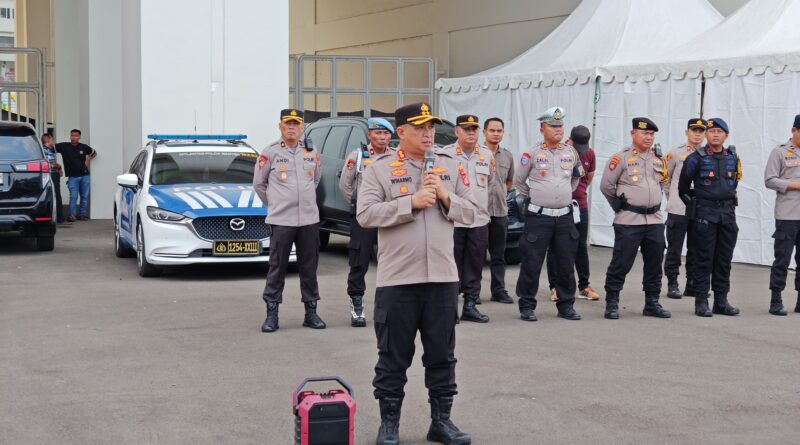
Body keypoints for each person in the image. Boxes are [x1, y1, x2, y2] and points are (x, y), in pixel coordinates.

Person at [357, 102, 477, 445]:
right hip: (398, 280)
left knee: (442, 355)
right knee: (392, 357)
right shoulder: (380, 169)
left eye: (431, 127)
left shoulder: (449, 165)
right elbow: (365, 214)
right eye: (420, 127)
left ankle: (441, 421)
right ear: (401, 132)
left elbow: (474, 212)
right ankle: (389, 424)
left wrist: (444, 196)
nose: (428, 133)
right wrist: (410, 202)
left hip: (442, 278)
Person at [253, 109, 326, 333]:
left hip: (308, 220)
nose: (292, 128)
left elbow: (315, 180)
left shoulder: (312, 152)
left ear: (302, 127)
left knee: (309, 268)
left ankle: (311, 313)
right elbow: (259, 184)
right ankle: (272, 315)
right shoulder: (270, 152)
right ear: (280, 126)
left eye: (296, 124)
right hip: (282, 220)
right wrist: (276, 204)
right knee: (277, 268)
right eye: (288, 124)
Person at [514, 106, 584, 322]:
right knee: (532, 262)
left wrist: (561, 194)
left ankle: (566, 305)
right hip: (539, 217)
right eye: (553, 126)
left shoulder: (571, 152)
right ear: (542, 129)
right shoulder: (532, 153)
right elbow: (519, 181)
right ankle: (527, 305)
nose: (558, 129)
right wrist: (537, 196)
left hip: (564, 217)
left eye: (560, 125)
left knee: (565, 263)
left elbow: (576, 178)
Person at [600, 117, 672, 320]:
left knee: (655, 264)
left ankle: (652, 302)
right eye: (644, 133)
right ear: (633, 134)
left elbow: (662, 183)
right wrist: (621, 205)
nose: (648, 137)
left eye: (651, 134)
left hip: (654, 220)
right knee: (621, 263)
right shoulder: (621, 158)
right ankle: (612, 302)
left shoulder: (659, 158)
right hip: (629, 221)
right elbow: (606, 186)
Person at [678, 118, 741, 317]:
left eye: (719, 131)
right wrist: (697, 207)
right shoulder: (695, 158)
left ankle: (721, 301)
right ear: (706, 134)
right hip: (705, 215)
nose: (715, 134)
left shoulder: (733, 157)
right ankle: (701, 301)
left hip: (727, 215)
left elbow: (734, 183)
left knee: (724, 260)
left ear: (726, 135)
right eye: (712, 131)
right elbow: (683, 189)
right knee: (703, 259)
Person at [338, 117, 395, 327]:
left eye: (386, 133)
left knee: (392, 261)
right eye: (378, 133)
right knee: (359, 261)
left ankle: (390, 306)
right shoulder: (358, 156)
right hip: (365, 219)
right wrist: (361, 208)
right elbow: (345, 185)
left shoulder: (396, 156)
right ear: (369, 134)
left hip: (389, 217)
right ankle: (357, 305)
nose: (382, 137)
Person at [444, 114, 492, 323]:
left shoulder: (486, 155)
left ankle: (470, 305)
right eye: (466, 129)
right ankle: (450, 307)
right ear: (457, 131)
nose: (471, 133)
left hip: (479, 219)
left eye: (474, 129)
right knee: (451, 264)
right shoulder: (446, 155)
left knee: (475, 263)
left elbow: (489, 184)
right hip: (453, 220)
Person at [546, 125, 599, 301]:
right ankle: (555, 287)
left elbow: (588, 178)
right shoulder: (559, 152)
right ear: (570, 140)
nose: (580, 152)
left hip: (580, 205)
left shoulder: (589, 153)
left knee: (580, 246)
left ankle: (584, 285)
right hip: (559, 205)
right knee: (555, 247)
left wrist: (578, 193)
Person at [663, 119, 706, 299]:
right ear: (686, 132)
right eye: (694, 130)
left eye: (701, 131)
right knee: (674, 248)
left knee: (696, 248)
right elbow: (665, 178)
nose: (697, 134)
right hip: (678, 209)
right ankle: (672, 283)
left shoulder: (707, 153)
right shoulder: (675, 153)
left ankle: (692, 284)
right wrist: (674, 197)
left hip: (700, 209)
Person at [763, 114, 800, 316]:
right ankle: (776, 299)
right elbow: (769, 180)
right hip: (787, 215)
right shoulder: (780, 152)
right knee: (782, 259)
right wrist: (794, 185)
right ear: (794, 131)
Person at [483, 117, 515, 304]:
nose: (496, 134)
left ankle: (498, 291)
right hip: (479, 213)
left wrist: (500, 192)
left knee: (498, 255)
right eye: (492, 130)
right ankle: (471, 292)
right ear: (484, 132)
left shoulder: (507, 156)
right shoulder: (477, 154)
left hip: (500, 212)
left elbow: (509, 182)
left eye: (499, 131)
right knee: (476, 256)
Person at [55, 129, 96, 221]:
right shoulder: (63, 146)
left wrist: (87, 160)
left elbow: (94, 153)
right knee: (73, 197)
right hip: (72, 177)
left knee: (84, 196)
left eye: (76, 135)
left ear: (79, 137)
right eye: (72, 135)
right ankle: (71, 215)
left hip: (85, 176)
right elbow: (49, 147)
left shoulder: (84, 147)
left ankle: (81, 215)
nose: (73, 137)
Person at [41, 134, 67, 225]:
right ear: (48, 140)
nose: (53, 141)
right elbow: (52, 162)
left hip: (47, 175)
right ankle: (60, 218)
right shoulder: (46, 150)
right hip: (52, 174)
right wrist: (59, 167)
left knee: (50, 195)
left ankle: (53, 217)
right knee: (56, 195)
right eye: (52, 140)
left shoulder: (45, 149)